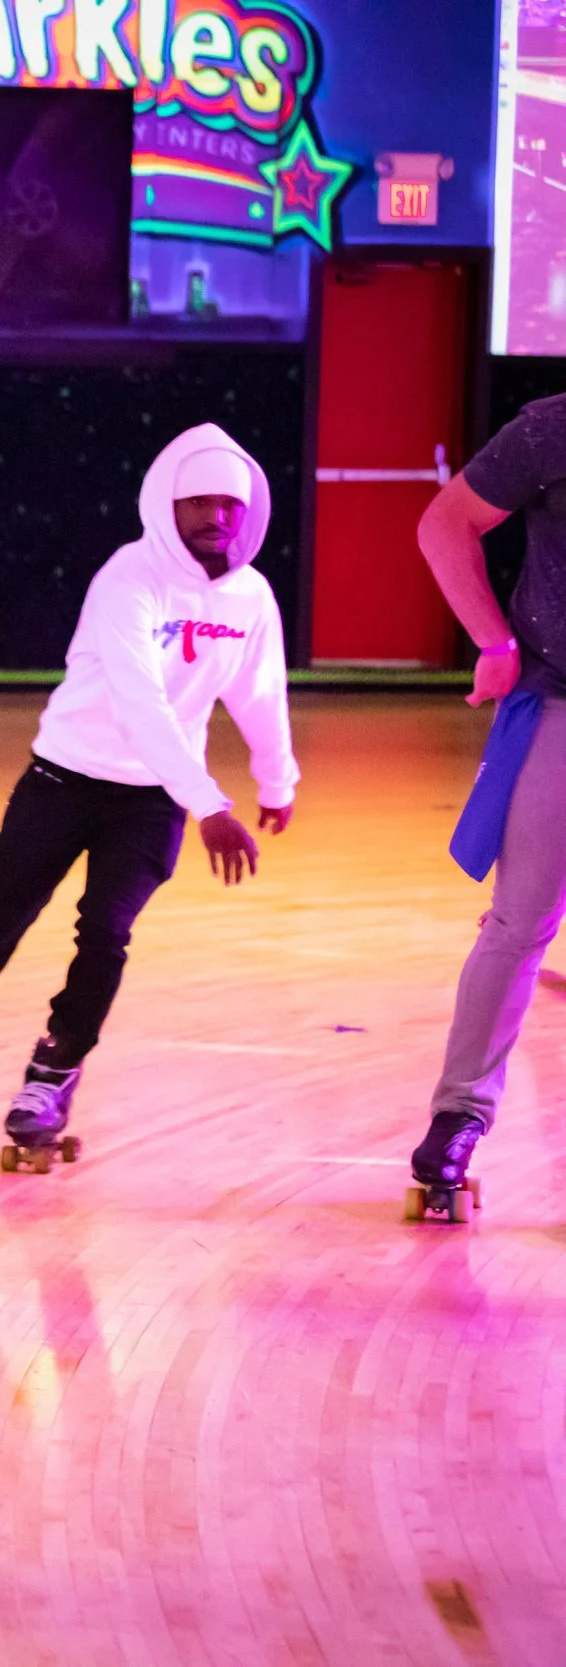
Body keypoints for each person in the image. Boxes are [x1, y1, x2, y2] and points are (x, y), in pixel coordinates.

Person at [0, 423, 296, 1168]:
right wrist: (211, 804)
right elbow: (139, 700)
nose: (216, 517)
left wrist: (277, 777)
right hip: (62, 778)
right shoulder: (128, 578)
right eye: (198, 503)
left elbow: (260, 692)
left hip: (150, 800)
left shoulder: (251, 597)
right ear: (166, 505)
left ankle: (51, 1077)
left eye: (230, 504)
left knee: (105, 933)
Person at [403, 395, 566, 1220]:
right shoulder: (555, 426)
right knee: (519, 921)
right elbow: (445, 524)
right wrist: (496, 644)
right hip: (558, 701)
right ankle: (458, 1115)